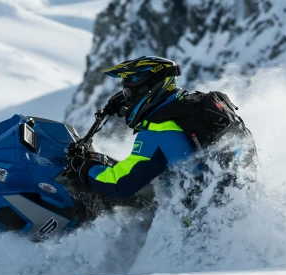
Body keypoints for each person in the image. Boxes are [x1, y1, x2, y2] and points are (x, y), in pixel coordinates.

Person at [65, 56, 255, 198]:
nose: (126, 100)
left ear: (147, 91)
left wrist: (84, 168)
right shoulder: (186, 108)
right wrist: (120, 101)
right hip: (223, 200)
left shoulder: (159, 133)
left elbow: (119, 184)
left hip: (195, 223)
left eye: (128, 93)